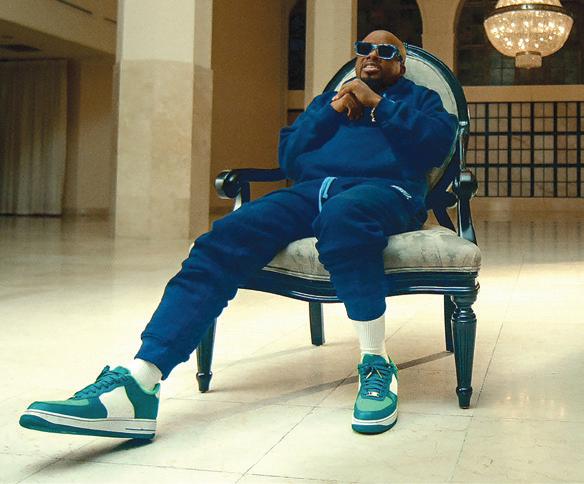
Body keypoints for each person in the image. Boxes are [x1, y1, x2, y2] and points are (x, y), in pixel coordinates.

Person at [19, 30, 457, 438]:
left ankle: (376, 361)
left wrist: (380, 105)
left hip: (384, 192)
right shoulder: (330, 101)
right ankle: (140, 384)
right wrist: (330, 111)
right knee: (219, 240)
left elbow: (435, 147)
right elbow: (289, 158)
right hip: (310, 192)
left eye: (386, 51)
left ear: (401, 65)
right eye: (364, 48)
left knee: (344, 219)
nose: (372, 55)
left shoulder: (421, 99)